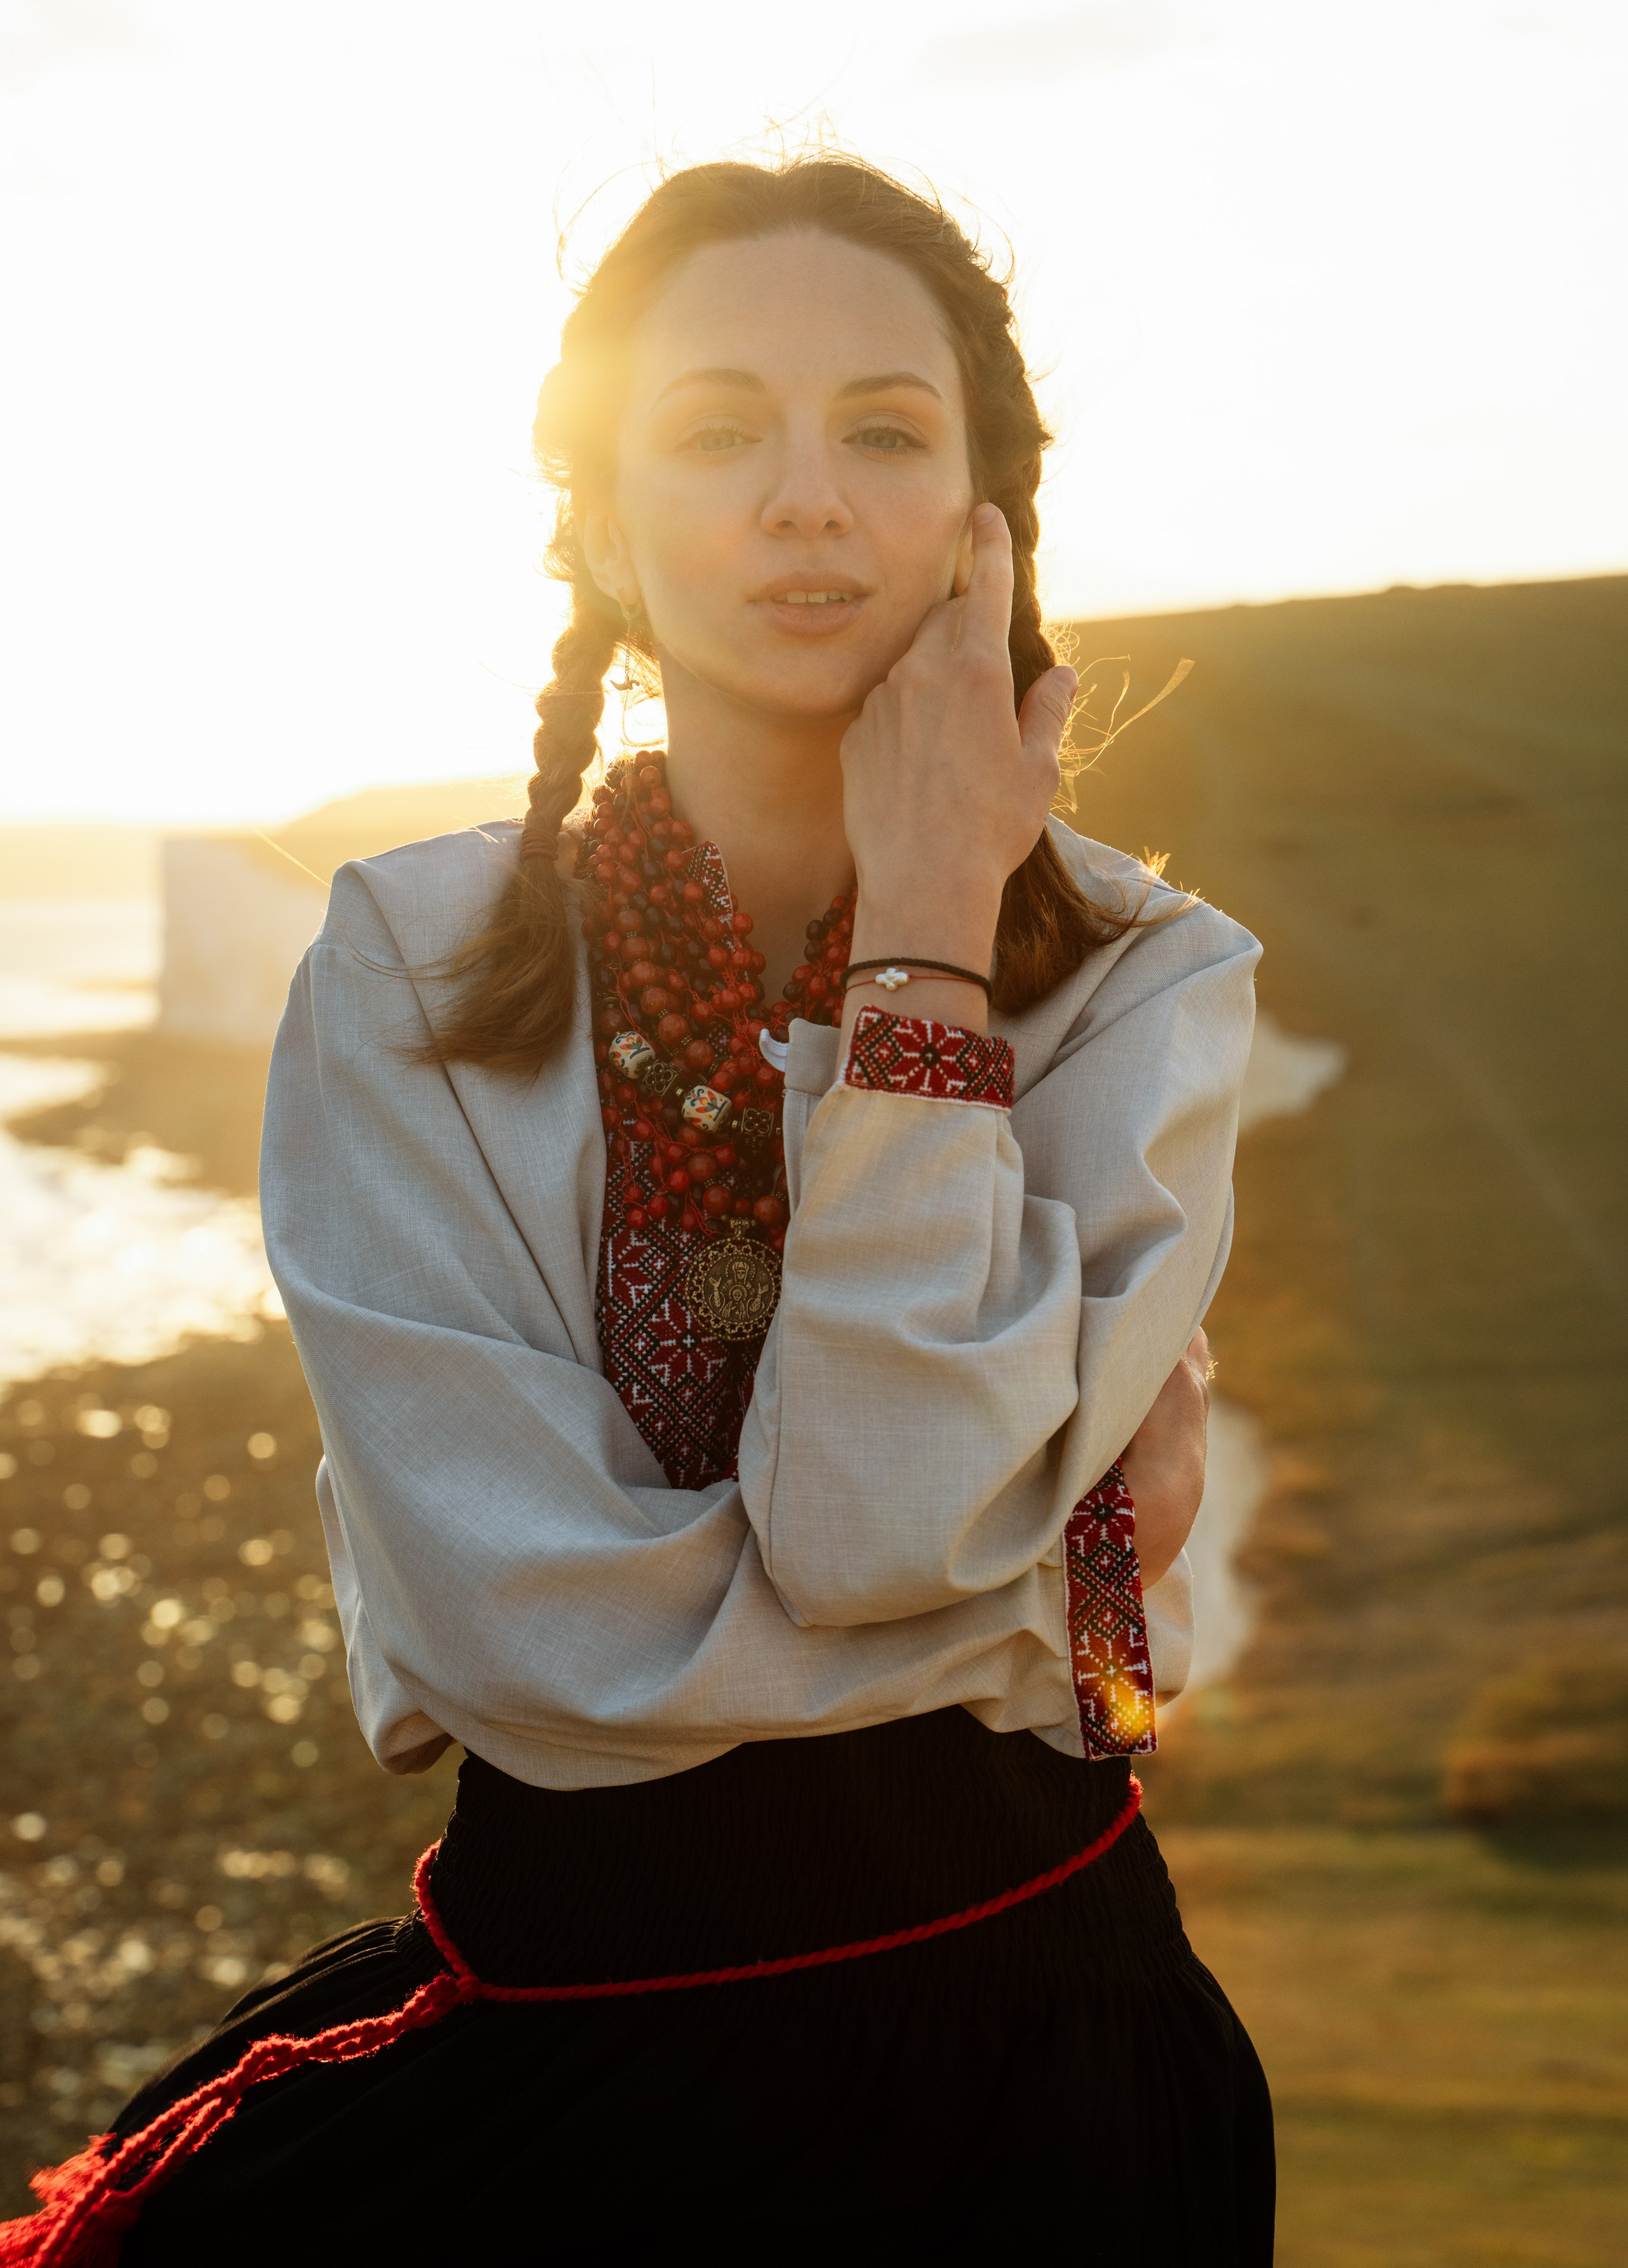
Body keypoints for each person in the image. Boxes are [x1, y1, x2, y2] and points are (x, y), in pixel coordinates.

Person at [4, 155, 1272, 2264]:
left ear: (988, 515)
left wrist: (930, 942)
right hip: (571, 2066)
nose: (805, 498)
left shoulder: (1150, 983)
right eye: (714, 431)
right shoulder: (407, 970)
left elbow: (872, 1545)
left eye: (883, 428)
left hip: (1049, 2087)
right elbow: (527, 1657)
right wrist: (1046, 1597)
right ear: (593, 518)